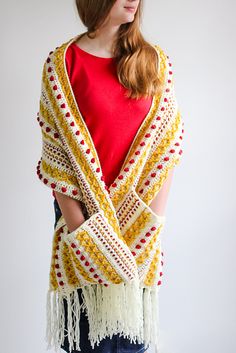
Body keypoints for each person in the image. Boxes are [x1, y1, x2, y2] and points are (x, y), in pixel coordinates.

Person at [37, 0, 184, 352]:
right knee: (89, 340)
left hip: (138, 221)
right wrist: (82, 234)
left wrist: (151, 223)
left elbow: (167, 150)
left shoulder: (154, 61)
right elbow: (57, 157)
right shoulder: (61, 66)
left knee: (130, 338)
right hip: (81, 218)